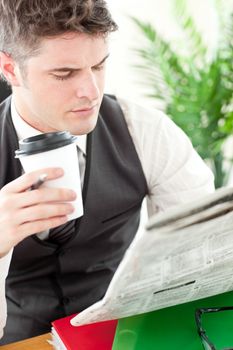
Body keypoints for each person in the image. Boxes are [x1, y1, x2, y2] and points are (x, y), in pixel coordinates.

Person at [0, 0, 214, 345]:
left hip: (123, 335)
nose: (91, 92)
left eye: (98, 66)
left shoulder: (147, 132)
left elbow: (198, 256)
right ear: (11, 69)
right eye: (64, 74)